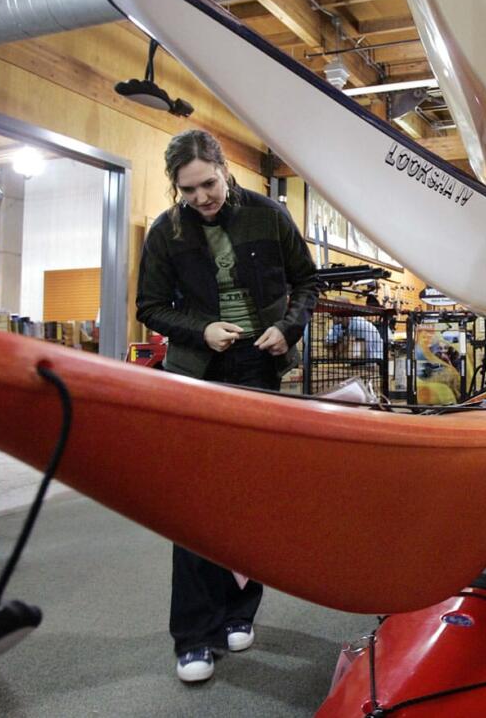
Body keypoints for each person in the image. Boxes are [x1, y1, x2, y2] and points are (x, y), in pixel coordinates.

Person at [136, 129, 321, 683]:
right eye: (188, 190)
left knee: (251, 498)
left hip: (260, 369)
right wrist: (201, 329)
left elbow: (307, 281)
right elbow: (150, 305)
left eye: (208, 184)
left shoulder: (268, 215)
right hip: (197, 373)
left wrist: (287, 329)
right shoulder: (167, 234)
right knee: (195, 506)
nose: (201, 198)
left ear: (224, 168)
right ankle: (194, 635)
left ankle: (239, 611)